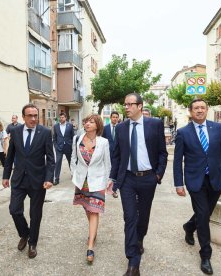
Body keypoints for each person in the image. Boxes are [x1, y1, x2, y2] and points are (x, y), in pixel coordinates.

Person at [110, 93, 168, 276]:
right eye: (124, 104)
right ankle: (133, 263)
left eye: (130, 104)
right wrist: (114, 180)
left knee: (143, 217)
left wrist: (157, 175)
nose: (126, 107)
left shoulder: (155, 124)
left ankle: (140, 238)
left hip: (147, 178)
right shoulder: (120, 128)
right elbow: (117, 156)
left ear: (140, 106)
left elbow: (162, 153)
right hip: (127, 179)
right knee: (129, 218)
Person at [173, 99, 221, 275]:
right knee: (203, 214)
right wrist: (178, 183)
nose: (199, 110)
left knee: (205, 213)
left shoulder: (218, 128)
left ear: (207, 110)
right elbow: (177, 161)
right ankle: (205, 255)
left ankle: (189, 227)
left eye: (202, 108)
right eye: (196, 108)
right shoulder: (183, 132)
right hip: (195, 180)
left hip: (216, 179)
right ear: (190, 111)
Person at [2, 103, 55, 259]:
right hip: (19, 179)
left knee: (35, 214)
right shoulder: (16, 131)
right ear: (23, 117)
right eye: (30, 116)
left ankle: (32, 243)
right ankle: (24, 234)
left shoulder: (45, 132)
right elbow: (10, 155)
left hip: (38, 180)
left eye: (35, 115)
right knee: (14, 210)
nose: (33, 118)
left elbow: (51, 159)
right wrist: (6, 176)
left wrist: (49, 178)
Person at [71, 114, 111, 264]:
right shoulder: (77, 139)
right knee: (88, 209)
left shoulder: (103, 142)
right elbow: (73, 158)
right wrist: (74, 174)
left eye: (91, 122)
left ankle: (90, 246)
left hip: (98, 181)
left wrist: (107, 182)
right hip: (82, 181)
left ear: (97, 125)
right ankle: (93, 233)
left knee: (94, 210)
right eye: (86, 121)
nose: (87, 124)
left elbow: (107, 163)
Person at [52, 112, 75, 185]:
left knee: (70, 162)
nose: (61, 119)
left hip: (68, 147)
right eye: (60, 117)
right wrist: (55, 146)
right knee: (58, 162)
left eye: (62, 117)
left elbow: (73, 137)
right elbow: (54, 137)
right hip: (59, 148)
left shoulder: (70, 126)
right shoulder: (56, 126)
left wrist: (72, 145)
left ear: (65, 118)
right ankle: (56, 178)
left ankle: (73, 175)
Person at [102, 111, 120, 198]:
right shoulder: (105, 128)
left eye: (117, 117)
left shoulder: (121, 128)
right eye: (113, 117)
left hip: (117, 154)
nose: (115, 119)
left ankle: (114, 190)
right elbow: (102, 140)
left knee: (115, 171)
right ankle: (105, 187)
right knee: (107, 170)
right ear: (110, 117)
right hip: (107, 153)